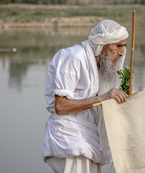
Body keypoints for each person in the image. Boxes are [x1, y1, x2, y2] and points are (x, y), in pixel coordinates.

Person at [43, 19, 129, 173]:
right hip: (70, 139)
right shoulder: (74, 56)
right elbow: (60, 106)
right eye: (118, 46)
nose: (122, 52)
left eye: (124, 46)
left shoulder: (99, 65)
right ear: (103, 45)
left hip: (88, 138)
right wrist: (102, 98)